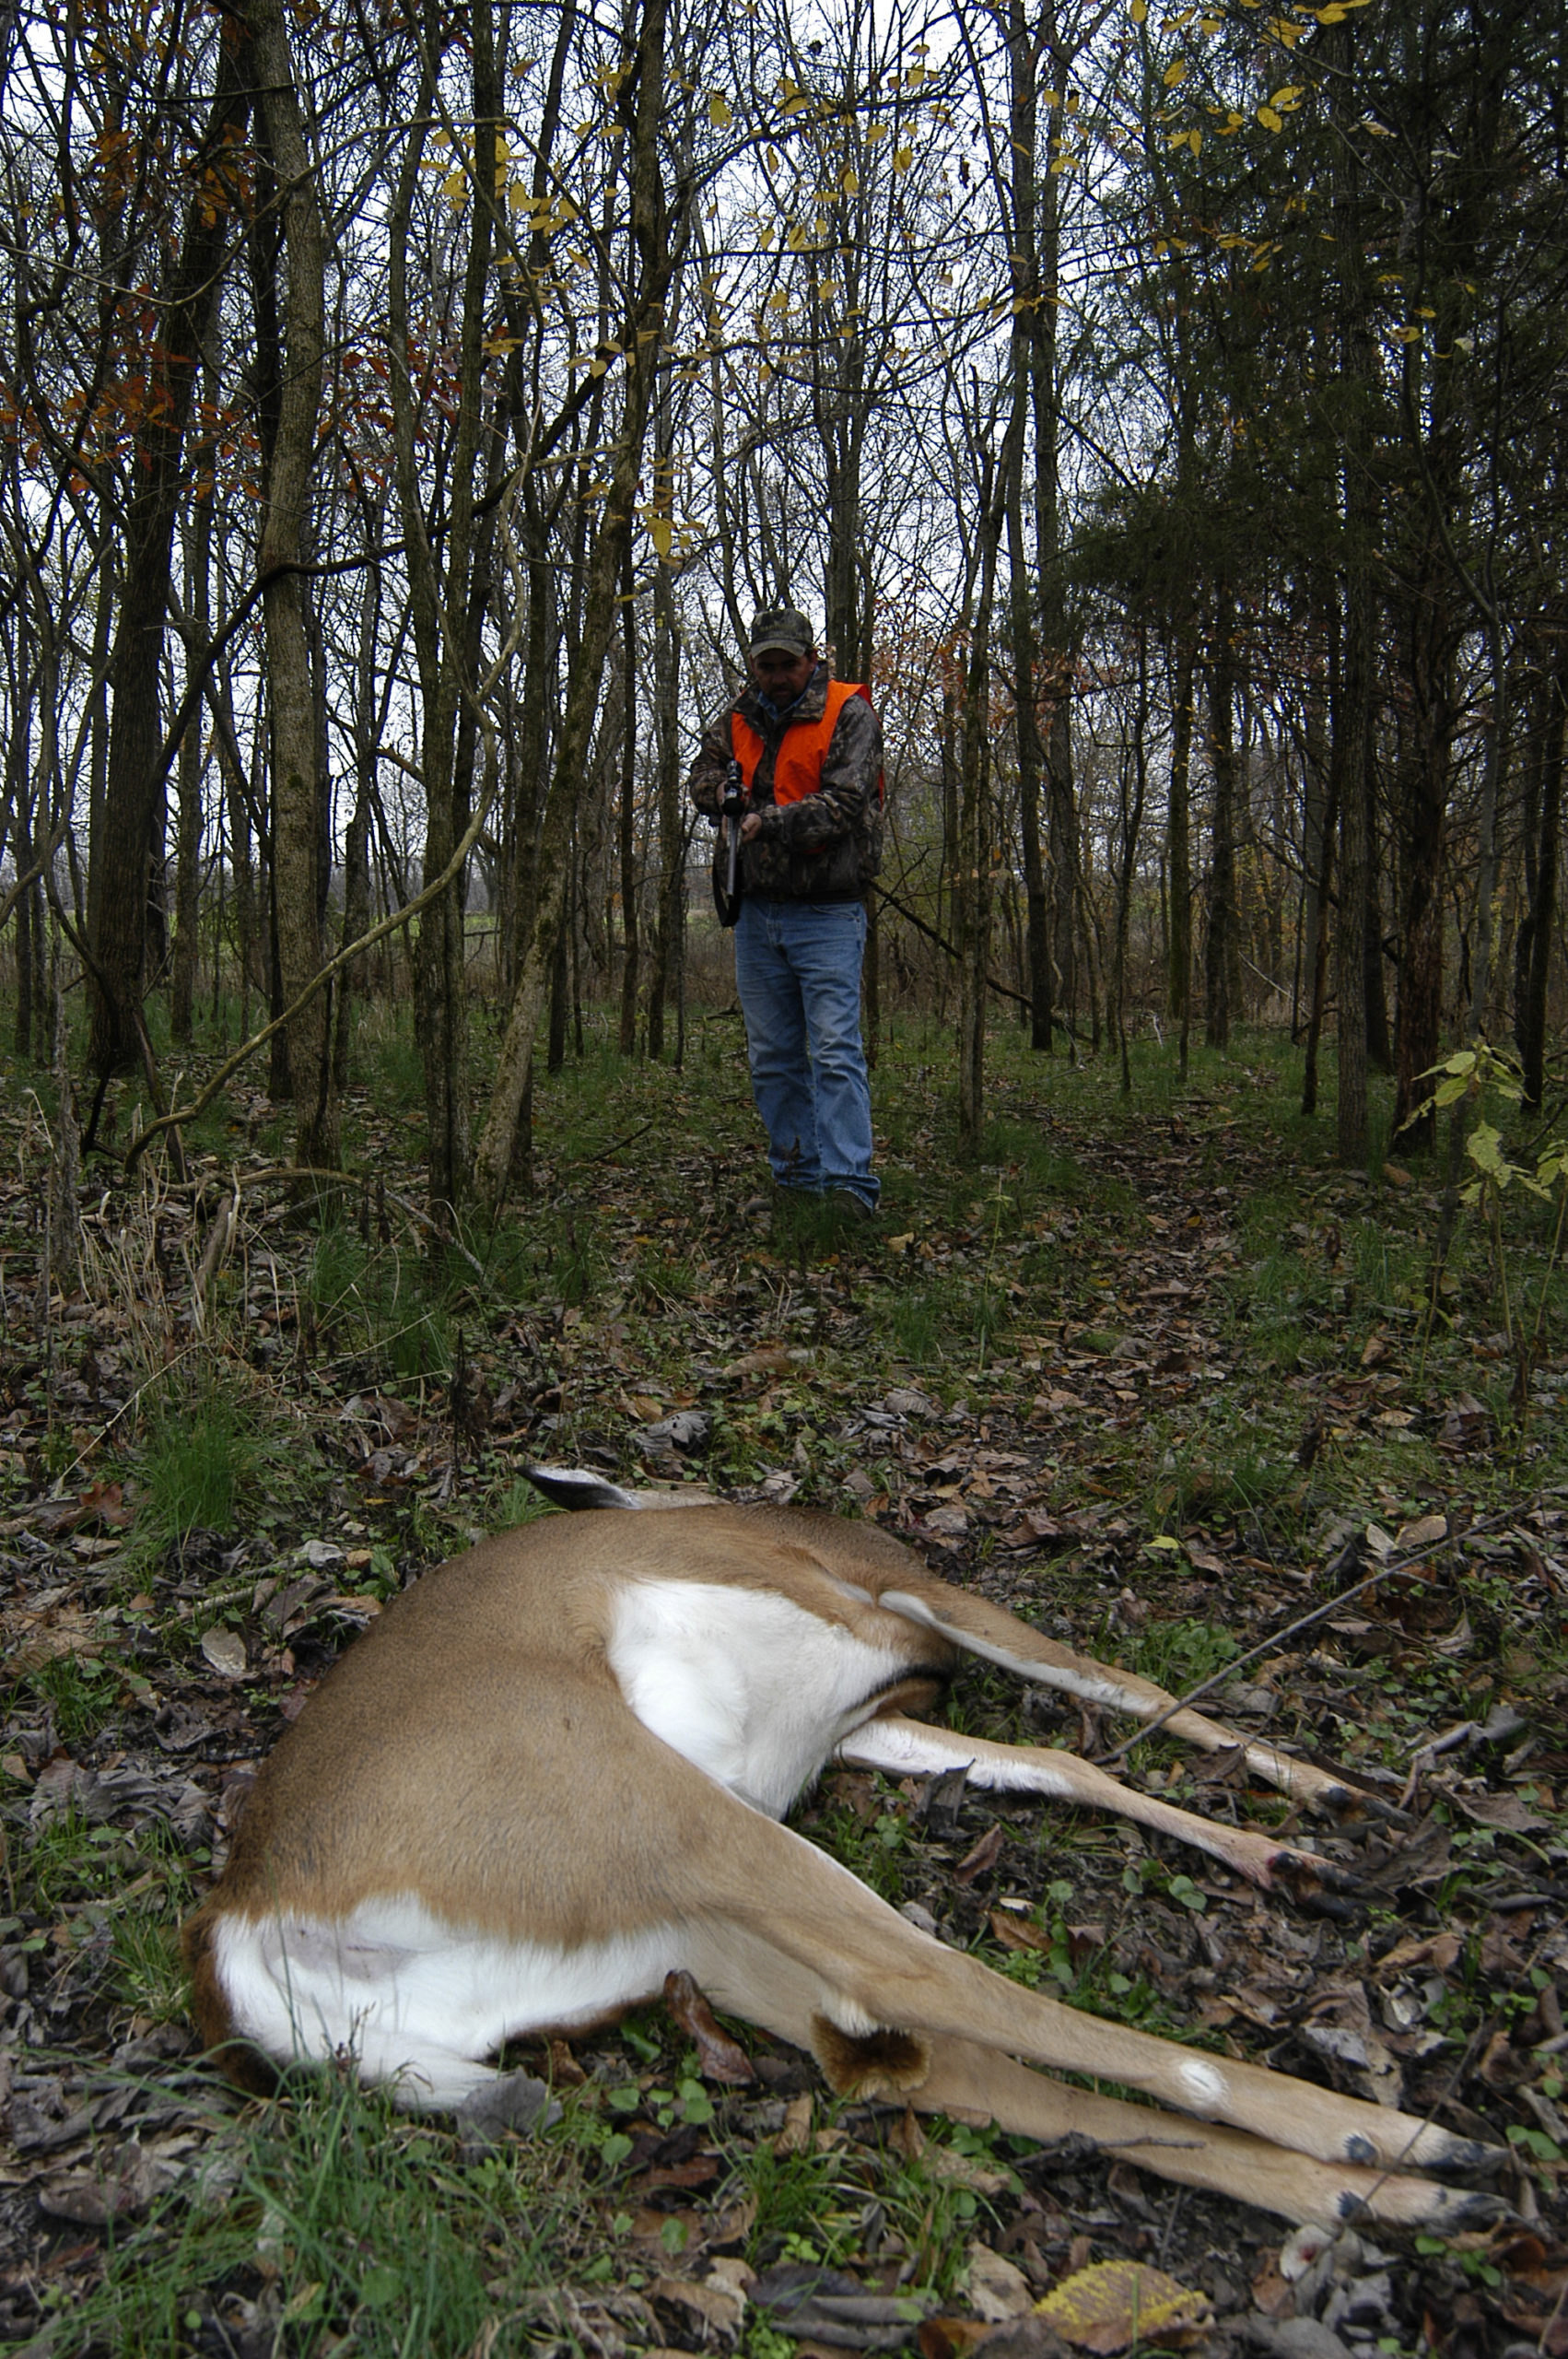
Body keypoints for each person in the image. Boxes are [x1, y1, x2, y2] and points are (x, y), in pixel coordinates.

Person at [688, 608, 883, 1217]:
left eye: (786, 665)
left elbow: (844, 804)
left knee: (834, 1051)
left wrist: (765, 821)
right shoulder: (739, 715)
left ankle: (850, 1186)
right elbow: (701, 773)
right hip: (756, 911)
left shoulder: (847, 712)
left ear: (810, 660)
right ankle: (797, 1180)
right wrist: (721, 792)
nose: (775, 677)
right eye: (765, 666)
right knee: (773, 1056)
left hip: (828, 912)